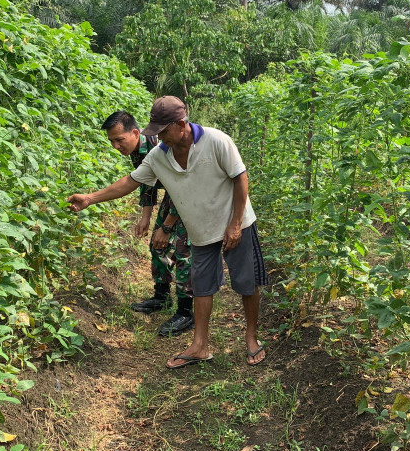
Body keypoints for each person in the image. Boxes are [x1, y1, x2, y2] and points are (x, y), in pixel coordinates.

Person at [69, 97, 267, 368]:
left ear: (181, 124)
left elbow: (240, 178)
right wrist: (90, 198)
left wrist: (234, 224)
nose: (159, 136)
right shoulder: (159, 155)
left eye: (163, 130)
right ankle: (199, 346)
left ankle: (251, 337)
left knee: (247, 282)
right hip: (200, 229)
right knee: (201, 287)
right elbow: (130, 182)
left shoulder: (217, 140)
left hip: (236, 222)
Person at [101, 111, 194, 336]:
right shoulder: (138, 149)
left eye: (119, 140)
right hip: (172, 195)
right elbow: (146, 182)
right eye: (111, 141)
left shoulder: (159, 146)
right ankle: (161, 298)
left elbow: (181, 187)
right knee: (157, 245)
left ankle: (186, 312)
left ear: (135, 133)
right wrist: (145, 217)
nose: (115, 146)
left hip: (190, 196)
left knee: (182, 250)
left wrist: (167, 226)